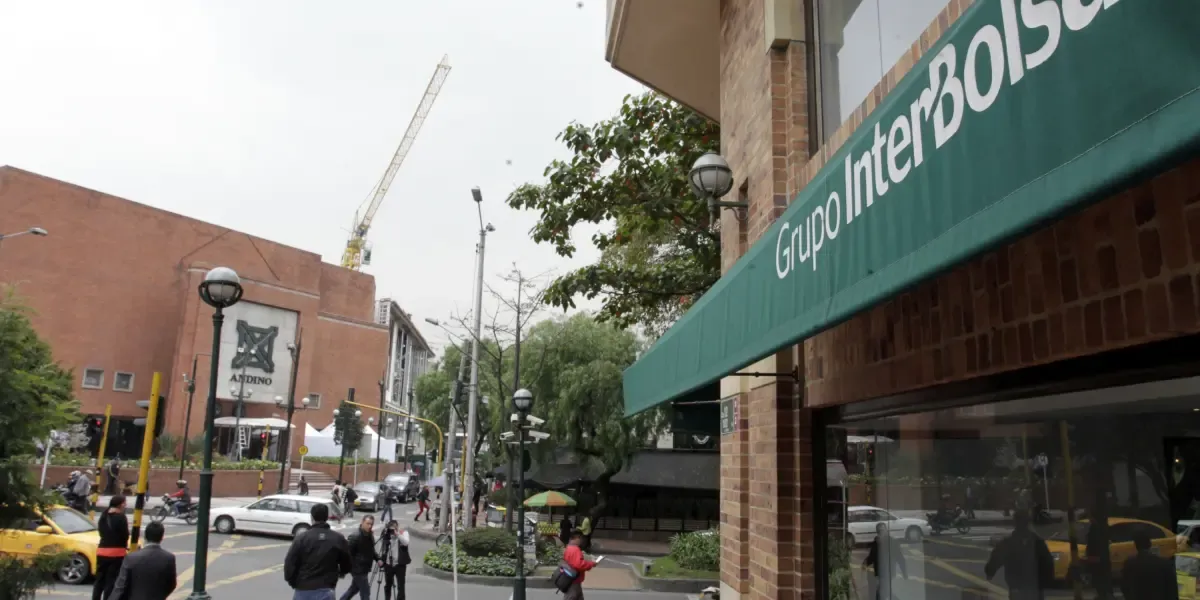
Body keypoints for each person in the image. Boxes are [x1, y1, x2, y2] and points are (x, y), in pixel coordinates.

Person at [285, 503, 352, 600]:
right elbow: (347, 562)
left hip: (303, 587)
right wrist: (341, 572)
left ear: (312, 517)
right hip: (326, 587)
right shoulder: (338, 538)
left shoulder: (302, 538)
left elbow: (290, 563)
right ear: (327, 517)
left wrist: (293, 582)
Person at [984, 510, 1053, 600]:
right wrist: (1046, 582)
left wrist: (990, 573)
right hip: (1034, 588)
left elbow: (995, 559)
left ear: (1015, 523)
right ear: (1028, 523)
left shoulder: (1008, 542)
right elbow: (1048, 562)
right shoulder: (1038, 542)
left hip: (1017, 587)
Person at [109, 521, 177, 600]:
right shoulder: (169, 558)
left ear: (145, 536)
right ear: (162, 537)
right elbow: (171, 584)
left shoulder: (131, 558)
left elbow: (120, 587)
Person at [1120, 530, 1178, 600]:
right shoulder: (1164, 564)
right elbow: (1172, 589)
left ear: (1136, 545)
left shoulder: (1129, 564)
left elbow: (1124, 587)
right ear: (1150, 544)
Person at [93, 495, 130, 600]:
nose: (125, 505)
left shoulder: (104, 515)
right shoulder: (121, 517)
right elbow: (125, 535)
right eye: (124, 503)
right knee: (111, 580)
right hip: (116, 553)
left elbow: (101, 532)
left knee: (99, 580)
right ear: (120, 504)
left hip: (102, 551)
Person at [863, 522, 906, 600]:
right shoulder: (876, 543)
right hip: (879, 572)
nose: (881, 532)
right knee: (884, 590)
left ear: (886, 530)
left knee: (882, 591)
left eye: (883, 530)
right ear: (877, 532)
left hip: (888, 571)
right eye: (879, 531)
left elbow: (899, 557)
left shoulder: (892, 542)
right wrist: (865, 563)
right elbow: (872, 556)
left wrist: (904, 572)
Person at [339, 515, 377, 600]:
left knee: (354, 589)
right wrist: (347, 569)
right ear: (362, 522)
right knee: (365, 592)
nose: (370, 526)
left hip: (364, 568)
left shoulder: (369, 535)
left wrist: (378, 559)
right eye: (368, 523)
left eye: (371, 524)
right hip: (358, 569)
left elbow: (371, 550)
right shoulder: (355, 536)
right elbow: (347, 554)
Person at [378, 520, 411, 600]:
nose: (393, 531)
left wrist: (398, 534)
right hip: (388, 564)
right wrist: (385, 534)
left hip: (400, 564)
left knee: (401, 586)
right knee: (388, 585)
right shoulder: (387, 535)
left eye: (394, 528)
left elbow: (406, 542)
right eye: (391, 529)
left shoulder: (403, 533)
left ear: (397, 527)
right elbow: (381, 547)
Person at [562, 529, 597, 600]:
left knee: (578, 597)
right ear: (577, 537)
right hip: (574, 581)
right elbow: (579, 564)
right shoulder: (575, 549)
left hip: (571, 579)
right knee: (571, 597)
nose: (581, 541)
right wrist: (591, 564)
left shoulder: (569, 547)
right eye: (580, 538)